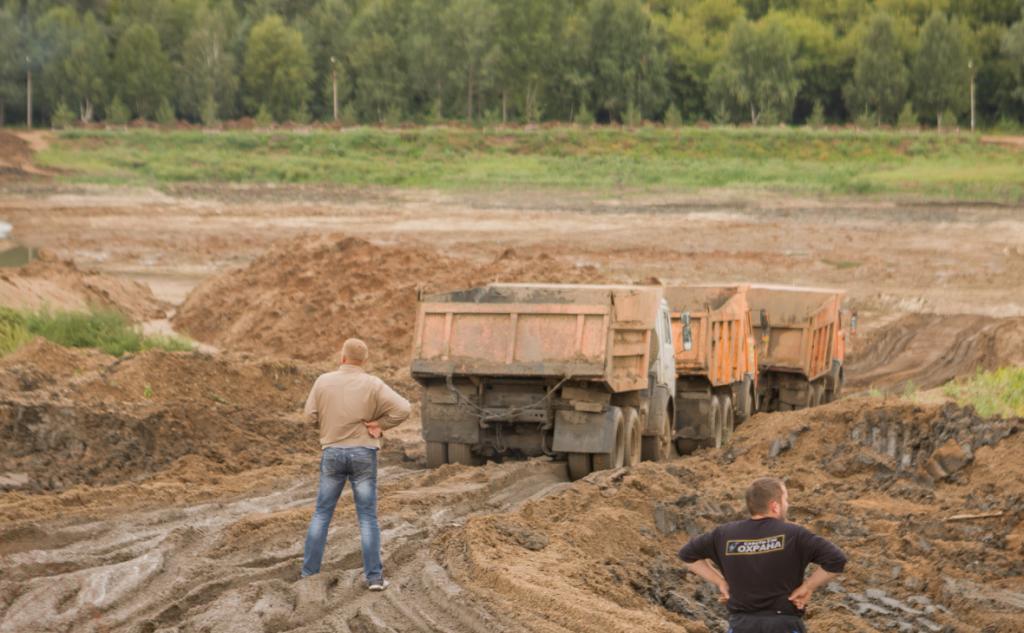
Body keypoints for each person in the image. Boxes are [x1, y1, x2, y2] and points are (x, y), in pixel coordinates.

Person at [301, 338, 411, 591]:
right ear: (364, 360)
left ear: (342, 357)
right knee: (367, 517)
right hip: (363, 454)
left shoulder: (323, 381)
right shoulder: (373, 383)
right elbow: (404, 408)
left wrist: (328, 426)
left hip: (332, 453)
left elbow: (309, 418)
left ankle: (309, 574)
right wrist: (380, 425)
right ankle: (374, 578)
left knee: (322, 514)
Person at [678, 477, 847, 633]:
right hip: (783, 624)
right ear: (775, 506)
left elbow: (687, 555)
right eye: (786, 500)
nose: (787, 505)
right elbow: (836, 560)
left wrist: (720, 582)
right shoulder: (794, 534)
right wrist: (807, 587)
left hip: (741, 625)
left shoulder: (724, 534)